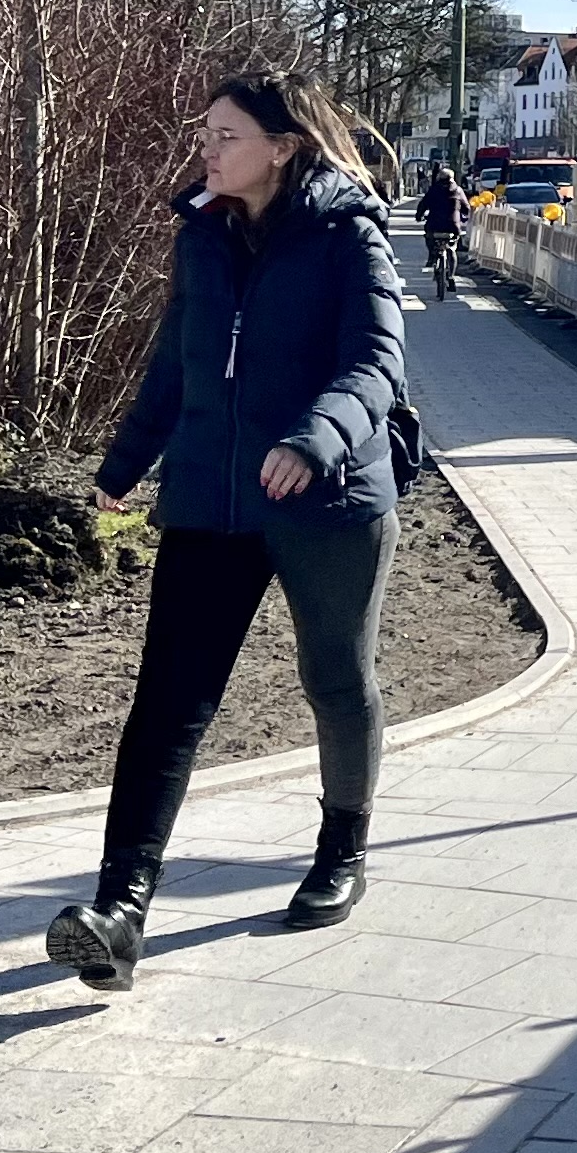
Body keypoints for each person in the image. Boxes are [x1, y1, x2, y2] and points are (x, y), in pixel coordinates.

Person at [46, 66, 409, 991]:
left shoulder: (347, 238)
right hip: (211, 497)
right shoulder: (201, 235)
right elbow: (177, 360)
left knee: (335, 675)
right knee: (168, 700)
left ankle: (342, 850)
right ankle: (120, 912)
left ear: (282, 147)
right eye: (205, 133)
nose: (206, 149)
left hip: (327, 500)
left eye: (226, 135)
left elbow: (376, 366)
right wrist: (124, 465)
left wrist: (313, 440)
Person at [416, 160, 469, 299]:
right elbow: (466, 208)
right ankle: (451, 276)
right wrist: (462, 217)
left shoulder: (434, 190)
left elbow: (423, 205)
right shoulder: (458, 190)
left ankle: (432, 257)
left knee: (429, 237)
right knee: (452, 249)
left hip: (434, 225)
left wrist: (419, 216)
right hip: (453, 226)